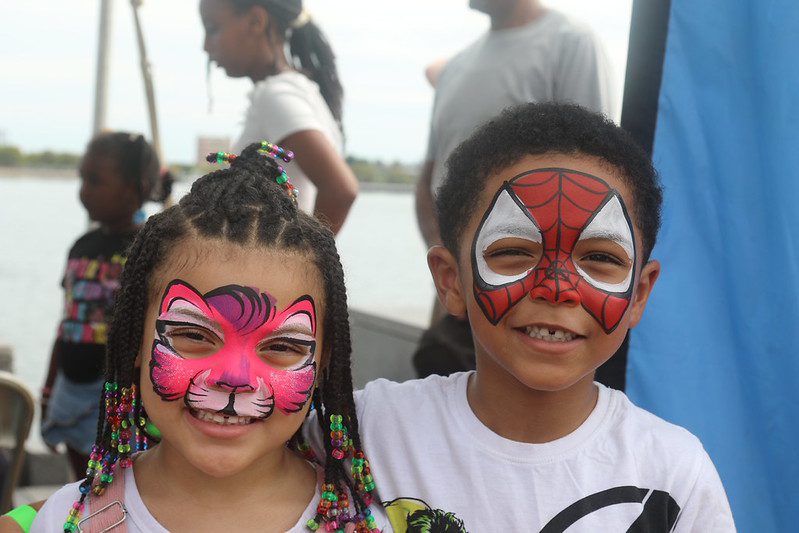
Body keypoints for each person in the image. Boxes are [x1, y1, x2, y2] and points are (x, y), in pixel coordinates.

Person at [309, 104, 736, 531]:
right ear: (451, 280)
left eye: (601, 258)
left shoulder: (675, 478)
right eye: (513, 251)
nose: (557, 288)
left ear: (639, 294)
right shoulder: (362, 432)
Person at [10, 143, 385, 532]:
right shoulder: (64, 521)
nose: (235, 379)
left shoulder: (357, 526)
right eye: (193, 334)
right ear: (135, 339)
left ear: (324, 361)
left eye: (282, 346)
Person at [414, 0, 615, 377]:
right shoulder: (456, 66)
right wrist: (453, 262)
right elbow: (429, 176)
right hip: (454, 287)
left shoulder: (570, 42)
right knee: (443, 389)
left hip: (532, 292)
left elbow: (594, 173)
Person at [40, 132, 171, 480]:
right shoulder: (81, 246)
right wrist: (48, 387)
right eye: (82, 178)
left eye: (95, 181)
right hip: (69, 382)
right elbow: (68, 318)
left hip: (116, 392)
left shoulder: (150, 249)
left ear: (135, 188)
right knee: (81, 480)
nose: (84, 191)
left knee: (113, 479)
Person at [200, 0, 358, 234]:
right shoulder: (300, 88)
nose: (205, 46)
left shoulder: (276, 96)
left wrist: (304, 254)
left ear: (256, 21)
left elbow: (340, 190)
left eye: (213, 29)